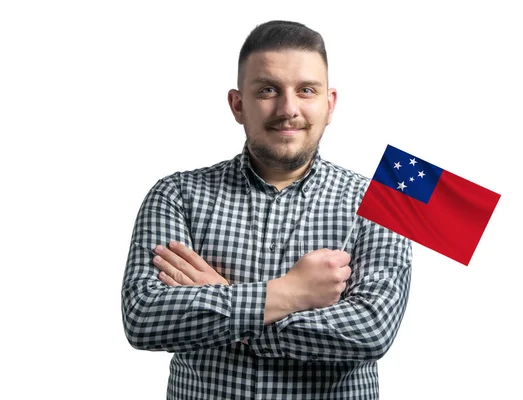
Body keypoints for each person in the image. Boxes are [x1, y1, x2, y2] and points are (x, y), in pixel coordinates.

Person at [122, 20, 412, 400]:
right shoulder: (176, 194)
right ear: (238, 104)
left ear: (330, 104)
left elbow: (371, 331)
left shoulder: (384, 200)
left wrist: (230, 304)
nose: (288, 108)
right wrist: (290, 292)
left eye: (306, 90)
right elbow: (145, 317)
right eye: (268, 90)